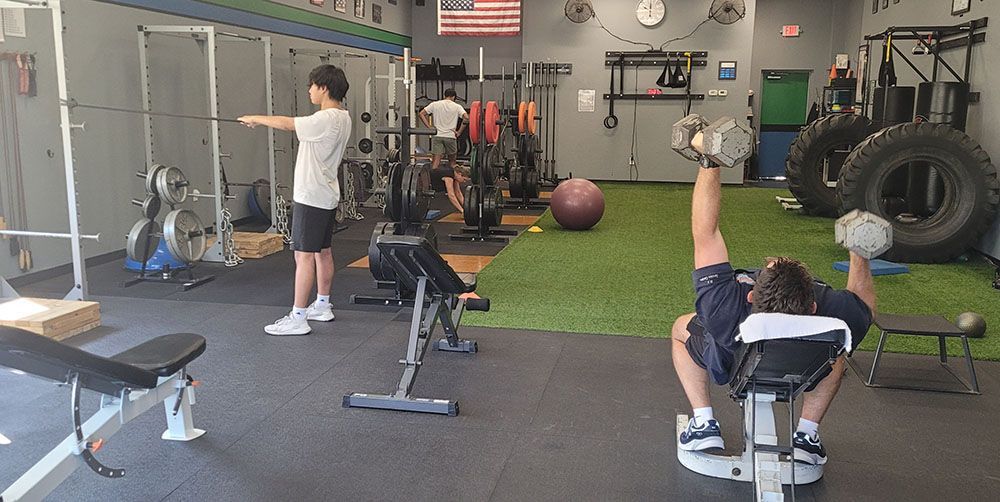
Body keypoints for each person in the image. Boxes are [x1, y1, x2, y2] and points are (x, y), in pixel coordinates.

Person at [673, 160, 875, 465]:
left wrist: (710, 161)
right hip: (801, 373)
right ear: (812, 306)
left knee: (680, 328)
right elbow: (864, 304)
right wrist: (859, 251)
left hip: (731, 366)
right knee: (835, 356)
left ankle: (703, 423)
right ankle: (807, 436)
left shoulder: (726, 305)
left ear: (752, 294)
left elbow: (706, 233)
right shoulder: (831, 312)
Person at [238, 64, 351, 336]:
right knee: (323, 252)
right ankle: (322, 305)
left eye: (312, 85)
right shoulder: (343, 117)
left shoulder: (324, 119)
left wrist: (255, 118)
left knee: (303, 256)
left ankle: (298, 317)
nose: (309, 90)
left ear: (324, 87)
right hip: (325, 194)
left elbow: (288, 123)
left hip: (311, 196)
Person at [419, 88, 470, 213]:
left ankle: (430, 188)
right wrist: (459, 131)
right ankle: (450, 186)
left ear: (444, 95)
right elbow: (467, 118)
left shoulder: (435, 104)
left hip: (437, 136)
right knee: (453, 163)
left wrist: (430, 128)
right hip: (451, 137)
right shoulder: (457, 106)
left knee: (435, 164)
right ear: (454, 97)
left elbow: (421, 113)